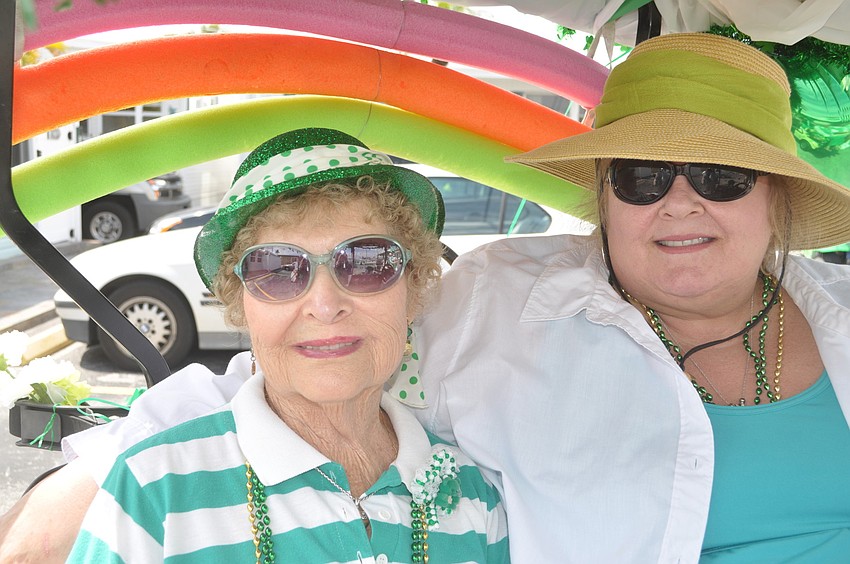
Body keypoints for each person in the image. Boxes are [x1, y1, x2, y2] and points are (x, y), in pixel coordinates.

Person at [4, 31, 850, 563]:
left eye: (721, 176)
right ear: (602, 196)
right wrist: (94, 485)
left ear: (774, 194)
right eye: (640, 176)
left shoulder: (840, 319)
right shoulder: (503, 307)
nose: (679, 203)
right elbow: (325, 353)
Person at [63, 128, 509, 562]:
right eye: (276, 269)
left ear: (411, 294)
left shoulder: (472, 495)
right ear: (242, 306)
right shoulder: (154, 490)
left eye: (367, 263)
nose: (324, 305)